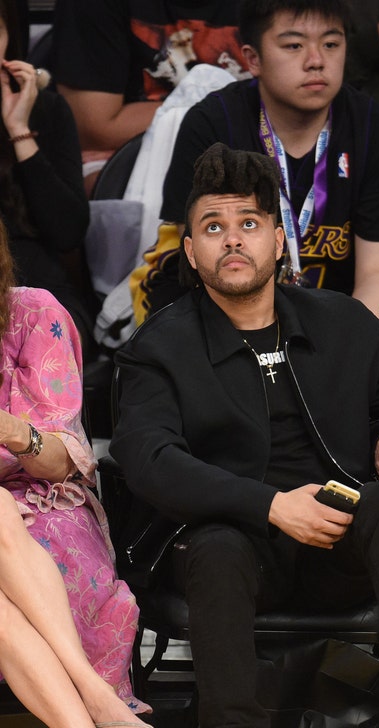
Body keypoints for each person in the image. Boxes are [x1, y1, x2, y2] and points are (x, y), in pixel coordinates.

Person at [110, 142, 379, 728]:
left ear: (280, 241)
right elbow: (150, 460)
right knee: (216, 545)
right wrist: (274, 507)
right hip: (233, 554)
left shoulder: (346, 325)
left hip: (341, 542)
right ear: (190, 252)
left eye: (250, 224)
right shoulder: (158, 349)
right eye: (213, 226)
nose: (233, 239)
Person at [133, 0, 379, 321]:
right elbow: (204, 268)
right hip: (223, 316)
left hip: (339, 328)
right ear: (253, 59)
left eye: (331, 44)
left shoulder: (377, 130)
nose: (317, 61)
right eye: (294, 45)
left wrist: (340, 353)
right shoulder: (213, 125)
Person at [0, 217, 150, 726]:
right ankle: (93, 697)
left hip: (34, 491)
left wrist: (12, 430)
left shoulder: (33, 312)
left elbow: (63, 458)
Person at [52, 0, 249, 187]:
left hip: (253, 143)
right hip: (127, 153)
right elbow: (95, 128)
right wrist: (230, 111)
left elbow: (278, 111)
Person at [0, 0, 97, 356]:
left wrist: (19, 129)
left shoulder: (47, 110)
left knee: (44, 348)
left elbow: (68, 231)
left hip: (39, 293)